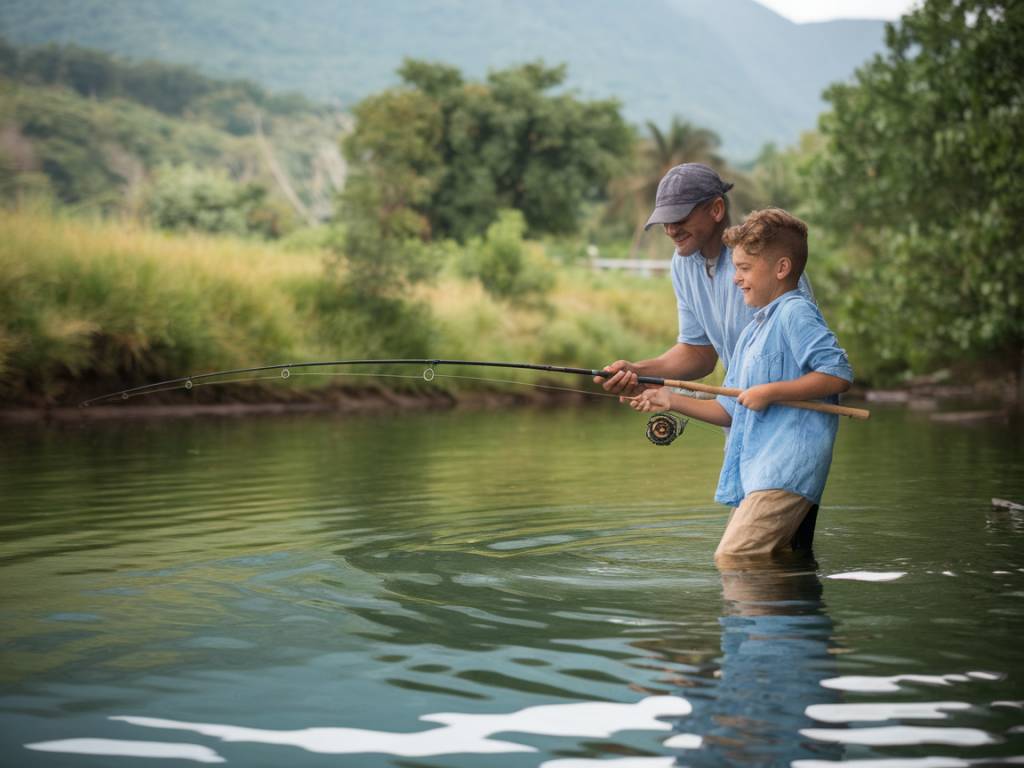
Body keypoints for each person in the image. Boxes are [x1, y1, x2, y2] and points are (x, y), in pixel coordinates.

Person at [629, 208, 853, 560]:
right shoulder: (752, 331)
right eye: (735, 268)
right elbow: (728, 409)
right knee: (767, 560)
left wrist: (770, 392)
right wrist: (668, 399)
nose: (735, 278)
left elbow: (838, 372)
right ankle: (777, 611)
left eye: (745, 269)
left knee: (733, 557)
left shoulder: (796, 312)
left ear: (781, 269)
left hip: (786, 469)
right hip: (758, 472)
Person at [595, 163, 812, 393]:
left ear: (716, 209)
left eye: (679, 219)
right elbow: (699, 353)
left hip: (791, 421)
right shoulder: (682, 263)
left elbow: (814, 362)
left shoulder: (765, 256)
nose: (670, 230)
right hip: (743, 421)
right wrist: (638, 371)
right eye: (665, 222)